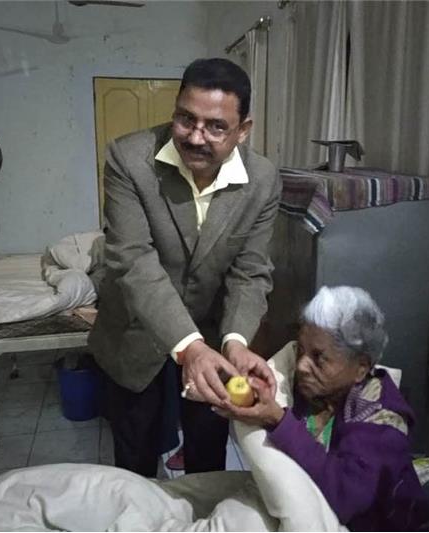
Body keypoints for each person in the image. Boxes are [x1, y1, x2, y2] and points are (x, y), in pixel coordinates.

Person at [88, 58, 280, 477]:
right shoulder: (129, 159)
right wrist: (188, 346)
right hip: (135, 335)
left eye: (215, 126)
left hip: (215, 335)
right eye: (185, 119)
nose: (196, 137)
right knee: (135, 459)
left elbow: (250, 271)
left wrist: (235, 341)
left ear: (243, 130)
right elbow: (133, 260)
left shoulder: (262, 179)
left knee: (208, 453)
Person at [216, 286, 429, 531]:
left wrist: (278, 419)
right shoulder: (316, 389)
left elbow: (345, 498)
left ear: (361, 367)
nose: (302, 365)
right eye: (302, 350)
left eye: (319, 358)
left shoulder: (382, 420)